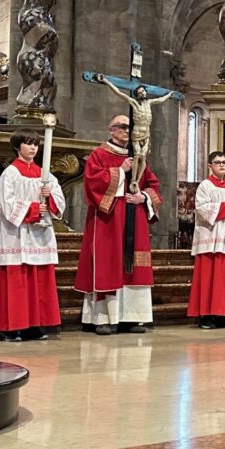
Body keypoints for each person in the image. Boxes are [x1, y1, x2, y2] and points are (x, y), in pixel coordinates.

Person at [74, 114, 162, 335]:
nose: (126, 130)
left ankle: (132, 317)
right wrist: (120, 171)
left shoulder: (138, 156)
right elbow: (92, 183)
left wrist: (143, 197)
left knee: (134, 266)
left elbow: (152, 183)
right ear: (111, 130)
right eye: (121, 126)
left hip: (135, 216)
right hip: (109, 218)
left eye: (128, 127)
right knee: (108, 264)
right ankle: (104, 318)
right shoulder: (99, 154)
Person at [0, 129, 66, 341]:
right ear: (17, 146)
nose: (33, 148)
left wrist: (49, 198)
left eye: (36, 144)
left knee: (38, 281)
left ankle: (33, 325)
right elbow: (5, 203)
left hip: (39, 236)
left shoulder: (45, 175)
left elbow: (59, 202)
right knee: (16, 282)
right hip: (16, 234)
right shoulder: (10, 174)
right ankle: (9, 327)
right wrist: (33, 209)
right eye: (28, 143)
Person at [188, 152, 225, 329]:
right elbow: (202, 209)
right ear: (210, 166)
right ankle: (206, 316)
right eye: (217, 162)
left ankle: (224, 314)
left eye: (224, 162)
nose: (222, 165)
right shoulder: (205, 186)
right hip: (210, 238)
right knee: (208, 278)